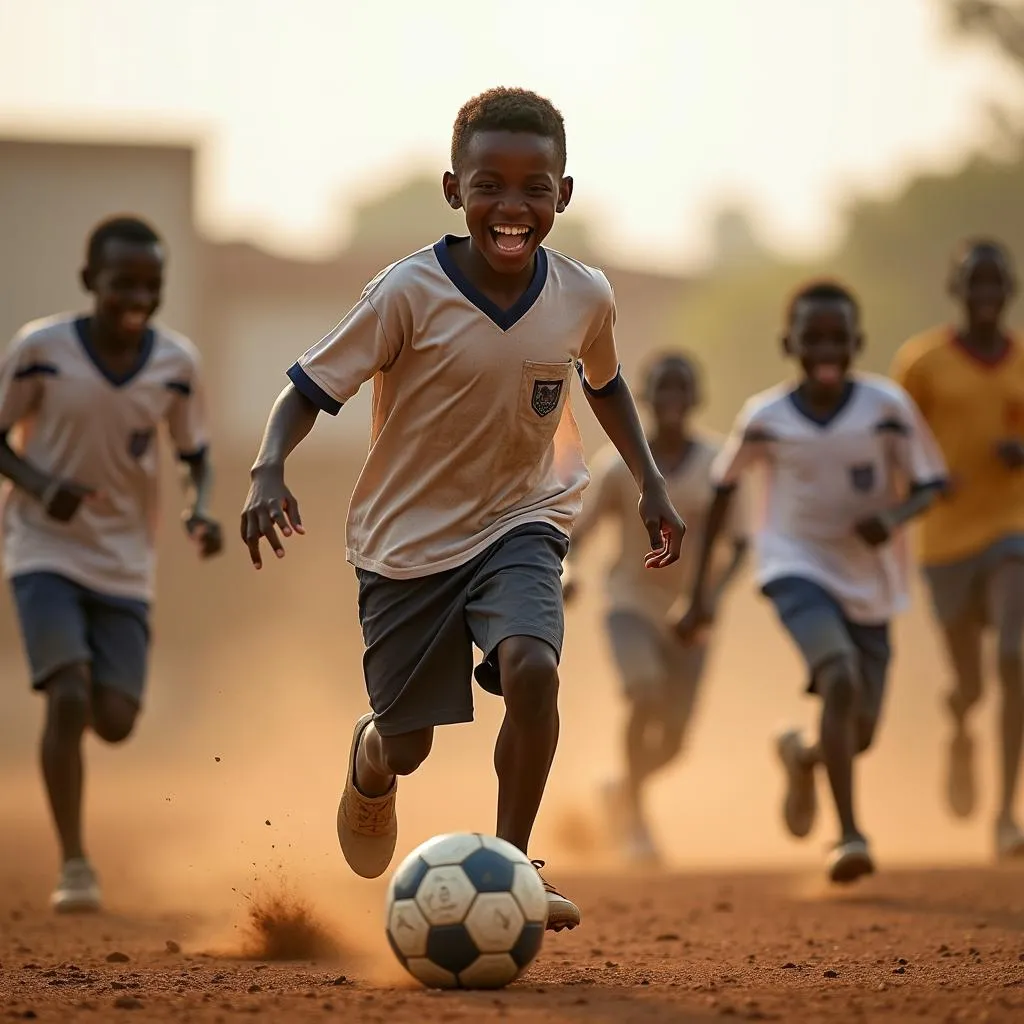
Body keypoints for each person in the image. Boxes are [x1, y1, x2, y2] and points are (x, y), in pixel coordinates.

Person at [240, 87, 686, 932]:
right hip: (405, 546)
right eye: (490, 185)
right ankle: (371, 761)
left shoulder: (585, 295)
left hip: (523, 519)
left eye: (535, 188)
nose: (512, 207)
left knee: (534, 667)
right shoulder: (406, 292)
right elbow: (306, 389)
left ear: (565, 194)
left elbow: (607, 383)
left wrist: (651, 481)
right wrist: (268, 467)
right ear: (455, 190)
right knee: (407, 745)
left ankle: (513, 867)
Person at [677, 280, 946, 883]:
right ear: (788, 342)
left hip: (871, 580)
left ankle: (803, 756)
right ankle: (848, 834)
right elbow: (722, 491)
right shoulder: (765, 418)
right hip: (793, 566)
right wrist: (699, 595)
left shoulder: (887, 408)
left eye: (837, 337)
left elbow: (934, 483)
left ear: (858, 342)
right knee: (839, 676)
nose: (826, 348)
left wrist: (894, 517)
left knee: (860, 732)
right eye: (812, 337)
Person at [0, 215, 223, 913]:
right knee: (66, 696)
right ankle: (75, 864)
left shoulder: (176, 364)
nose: (137, 297)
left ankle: (88, 692)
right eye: (122, 282)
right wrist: (41, 488)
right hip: (43, 548)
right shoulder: (40, 350)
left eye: (151, 285)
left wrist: (198, 509)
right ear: (88, 281)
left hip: (126, 563)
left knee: (117, 718)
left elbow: (195, 456)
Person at [562, 351, 748, 864]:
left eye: (680, 389)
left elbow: (742, 545)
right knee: (643, 693)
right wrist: (569, 576)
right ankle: (636, 822)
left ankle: (621, 787)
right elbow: (579, 537)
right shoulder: (619, 464)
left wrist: (707, 600)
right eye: (661, 389)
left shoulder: (718, 464)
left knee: (673, 743)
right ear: (644, 397)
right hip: (630, 601)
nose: (671, 399)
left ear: (695, 398)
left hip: (693, 616)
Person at [891, 239, 1024, 860]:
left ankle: (1004, 812)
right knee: (970, 681)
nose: (986, 294)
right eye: (975, 282)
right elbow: (892, 441)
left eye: (996, 282)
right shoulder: (923, 363)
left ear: (1010, 290)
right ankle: (961, 723)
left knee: (1016, 658)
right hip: (944, 541)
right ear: (959, 288)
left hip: (1011, 529)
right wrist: (924, 483)